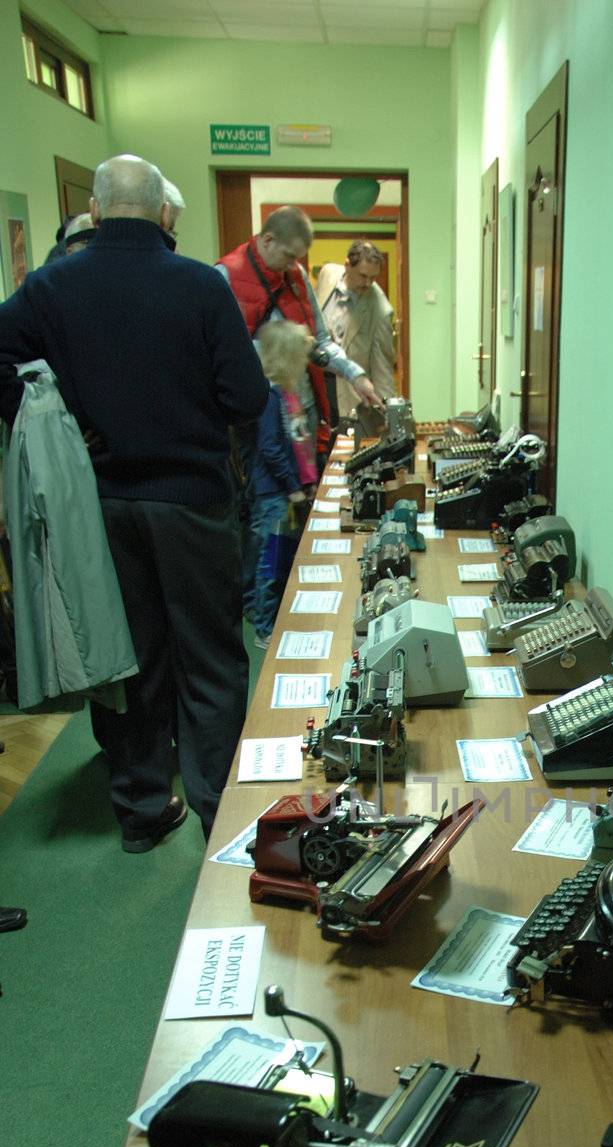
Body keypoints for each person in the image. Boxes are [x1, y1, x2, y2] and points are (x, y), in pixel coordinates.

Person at [0, 153, 270, 850]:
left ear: (94, 211)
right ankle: (220, 822)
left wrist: (57, 425)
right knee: (211, 663)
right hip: (192, 504)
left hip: (103, 506)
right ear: (161, 211)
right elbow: (246, 397)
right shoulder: (199, 286)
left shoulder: (51, 286)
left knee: (132, 661)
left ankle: (144, 812)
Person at [216, 206, 382, 460]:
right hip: (257, 420)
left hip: (304, 411)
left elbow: (321, 342)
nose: (293, 266)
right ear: (268, 240)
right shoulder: (224, 276)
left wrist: (356, 376)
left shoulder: (296, 274)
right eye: (289, 256)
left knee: (310, 491)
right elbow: (221, 358)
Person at [246, 319, 316, 647]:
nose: (305, 364)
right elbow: (271, 448)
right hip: (275, 495)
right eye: (301, 358)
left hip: (286, 493)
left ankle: (277, 617)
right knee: (271, 561)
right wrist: (292, 486)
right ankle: (264, 628)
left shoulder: (286, 396)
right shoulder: (269, 399)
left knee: (283, 557)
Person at [316, 240, 395, 428]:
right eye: (363, 276)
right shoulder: (327, 273)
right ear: (347, 266)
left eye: (373, 278)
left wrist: (388, 415)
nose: (368, 283)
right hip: (314, 381)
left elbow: (382, 369)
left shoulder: (381, 310)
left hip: (345, 393)